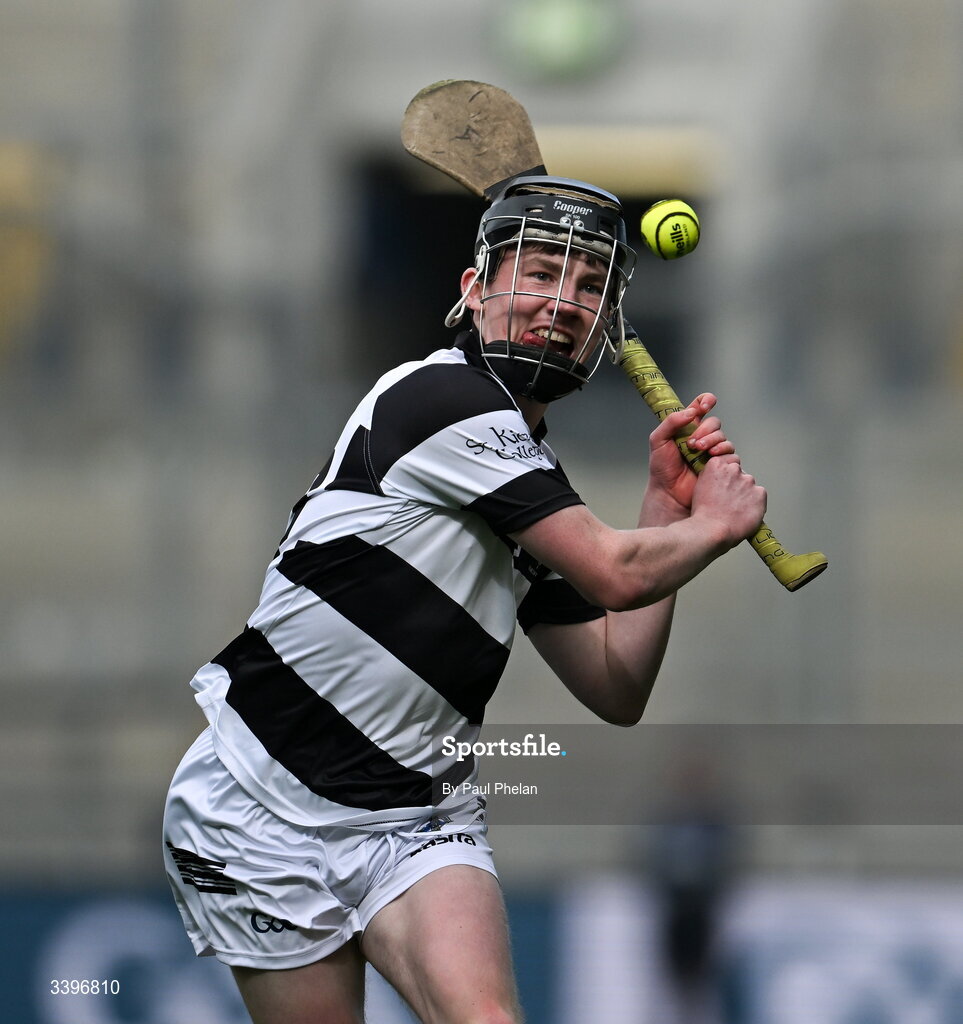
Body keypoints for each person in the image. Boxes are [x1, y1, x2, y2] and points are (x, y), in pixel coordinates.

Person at [162, 174, 767, 1024]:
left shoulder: (529, 482)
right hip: (260, 798)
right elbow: (614, 573)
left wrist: (664, 507)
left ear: (605, 325)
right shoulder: (438, 399)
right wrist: (714, 529)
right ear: (475, 291)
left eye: (590, 285)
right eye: (541, 273)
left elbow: (615, 680)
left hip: (414, 813)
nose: (564, 300)